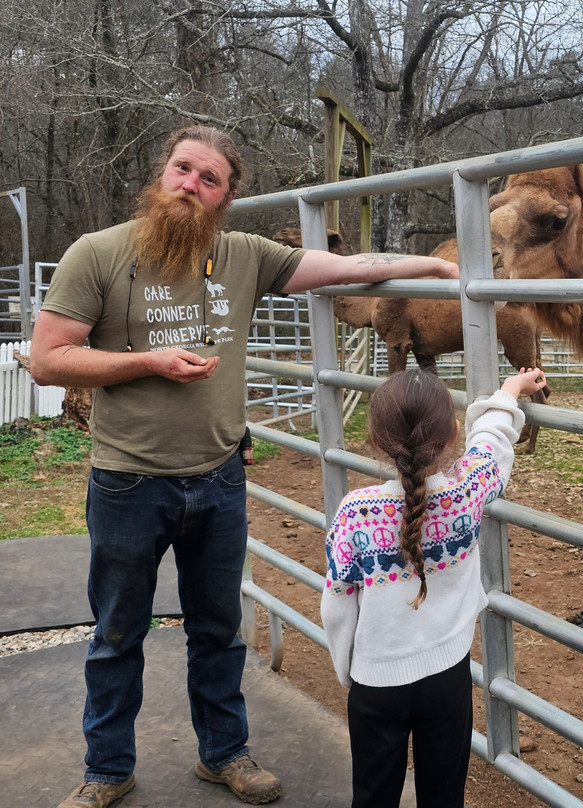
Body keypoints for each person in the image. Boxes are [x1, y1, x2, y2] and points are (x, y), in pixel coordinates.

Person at [29, 124, 458, 808]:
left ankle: (224, 754)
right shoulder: (99, 253)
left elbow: (348, 267)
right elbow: (48, 359)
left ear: (225, 198)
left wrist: (433, 267)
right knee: (116, 632)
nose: (190, 185)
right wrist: (149, 362)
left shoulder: (244, 255)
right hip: (129, 481)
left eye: (209, 179)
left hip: (220, 478)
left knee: (218, 630)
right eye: (182, 168)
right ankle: (107, 769)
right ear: (162, 172)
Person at [321, 366, 547, 808]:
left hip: (375, 684)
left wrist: (351, 670)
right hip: (447, 677)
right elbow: (492, 445)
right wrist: (509, 389)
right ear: (453, 435)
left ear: (376, 440)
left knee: (372, 795)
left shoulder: (355, 512)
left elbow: (337, 604)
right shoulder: (467, 491)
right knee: (444, 795)